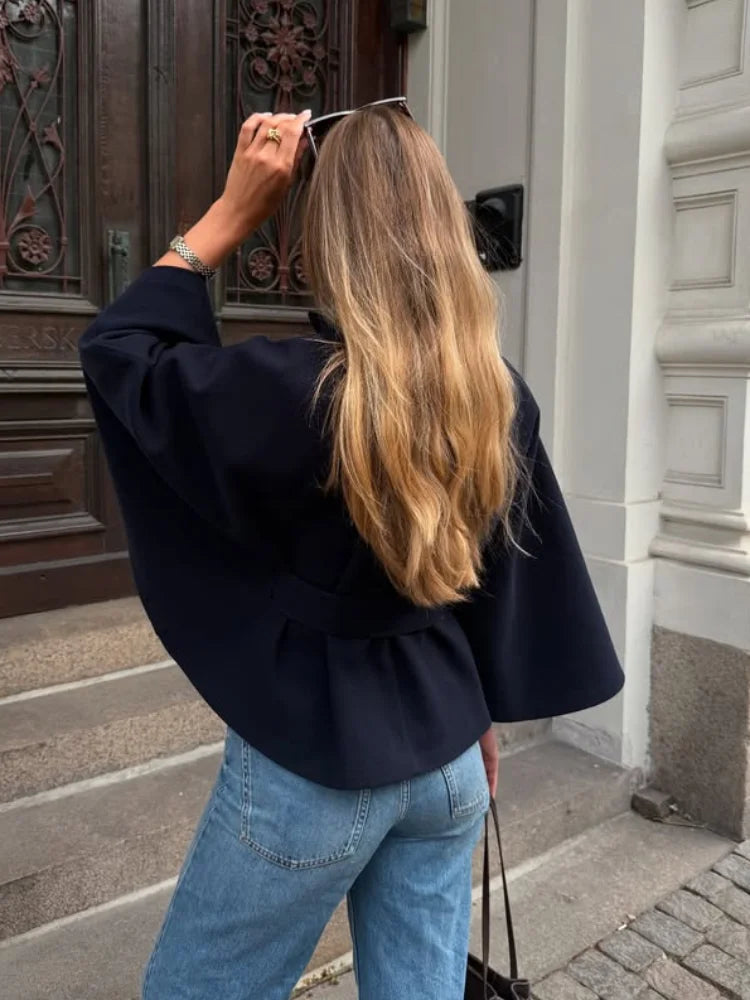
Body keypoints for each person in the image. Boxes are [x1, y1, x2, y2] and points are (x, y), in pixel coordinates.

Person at [79, 104, 623, 1000]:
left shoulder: (296, 393)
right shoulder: (492, 391)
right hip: (450, 757)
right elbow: (485, 572)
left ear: (330, 234)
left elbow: (117, 350)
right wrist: (479, 708)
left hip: (315, 767)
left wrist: (231, 213)